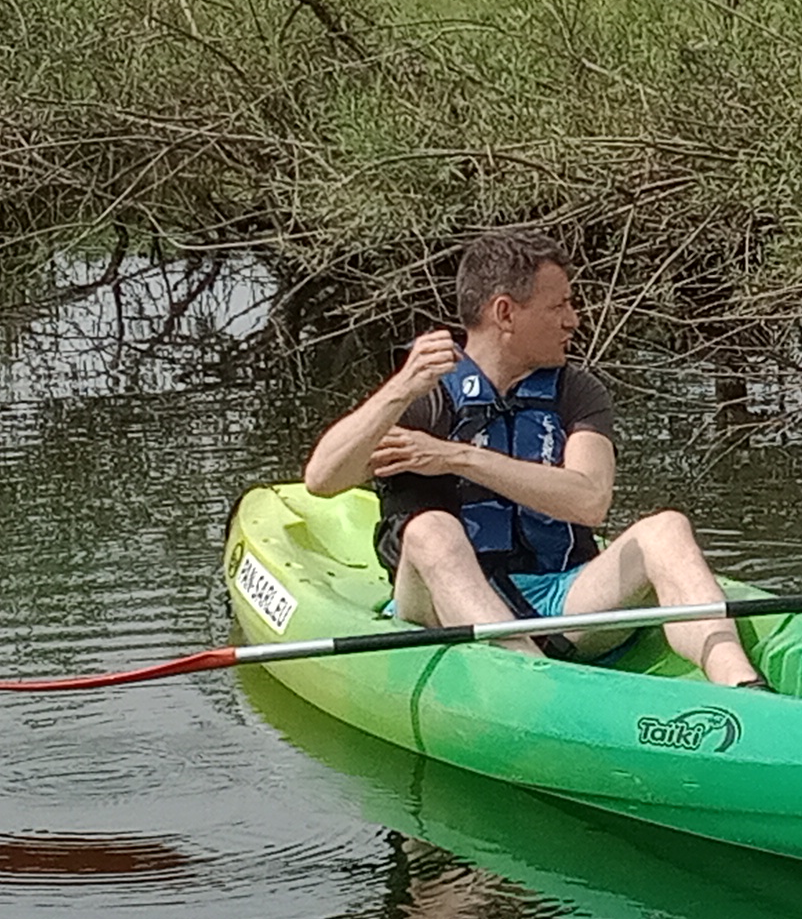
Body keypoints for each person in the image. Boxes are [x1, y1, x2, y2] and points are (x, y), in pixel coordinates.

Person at [301, 229, 765, 691]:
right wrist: (400, 389)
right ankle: (533, 682)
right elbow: (322, 479)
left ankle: (743, 686)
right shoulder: (426, 396)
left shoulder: (575, 391)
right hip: (443, 608)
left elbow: (589, 501)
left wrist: (458, 457)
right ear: (505, 313)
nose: (574, 320)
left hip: (564, 595)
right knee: (429, 529)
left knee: (666, 529)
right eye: (558, 306)